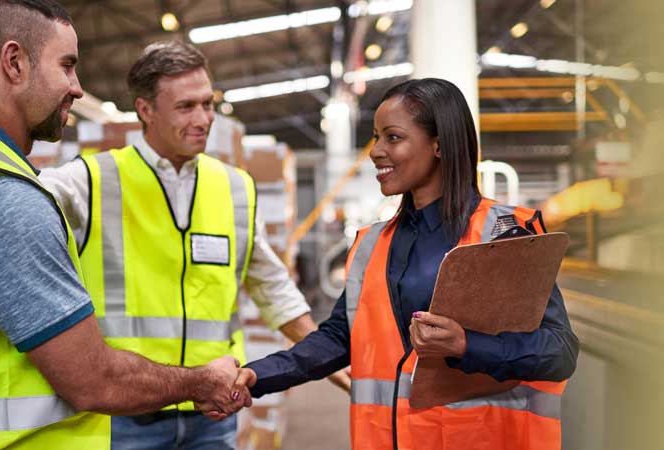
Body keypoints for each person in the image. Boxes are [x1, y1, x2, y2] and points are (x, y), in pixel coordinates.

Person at [0, 2, 248, 449]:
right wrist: (202, 381)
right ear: (14, 63)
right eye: (67, 66)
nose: (77, 87)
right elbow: (94, 380)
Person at [234, 78, 580, 450]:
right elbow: (338, 337)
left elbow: (559, 351)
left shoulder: (503, 234)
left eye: (392, 137)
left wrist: (467, 345)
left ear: (439, 145)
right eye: (376, 137)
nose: (376, 151)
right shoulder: (372, 245)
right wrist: (257, 375)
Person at [38, 40, 350, 450]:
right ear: (145, 110)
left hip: (213, 415)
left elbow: (273, 288)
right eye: (186, 107)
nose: (204, 119)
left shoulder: (234, 187)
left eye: (208, 104)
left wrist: (330, 363)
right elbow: (17, 207)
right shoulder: (91, 182)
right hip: (123, 418)